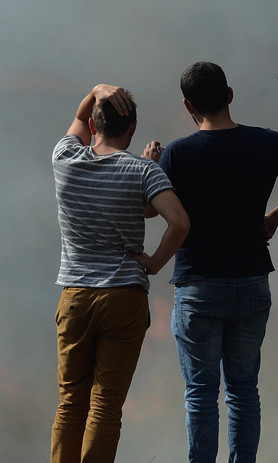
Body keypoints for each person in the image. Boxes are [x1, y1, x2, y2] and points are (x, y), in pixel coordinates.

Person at [144, 61, 278, 463]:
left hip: (199, 288)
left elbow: (147, 210)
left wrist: (149, 166)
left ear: (187, 106)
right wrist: (273, 219)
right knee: (244, 391)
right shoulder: (267, 143)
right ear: (230, 95)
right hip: (251, 284)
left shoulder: (178, 154)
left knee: (201, 394)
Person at [51, 84, 190, 463]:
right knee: (106, 406)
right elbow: (178, 222)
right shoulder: (143, 171)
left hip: (76, 296)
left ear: (95, 126)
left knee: (69, 404)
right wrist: (154, 262)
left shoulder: (64, 159)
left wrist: (97, 90)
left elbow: (79, 117)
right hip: (124, 296)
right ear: (132, 130)